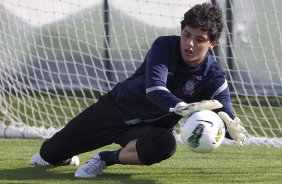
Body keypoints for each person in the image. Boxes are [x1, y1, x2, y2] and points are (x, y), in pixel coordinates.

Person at [30, 2, 246, 178]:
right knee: (47, 156)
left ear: (213, 43)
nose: (189, 44)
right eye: (187, 34)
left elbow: (224, 113)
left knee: (165, 145)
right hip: (114, 110)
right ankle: (64, 155)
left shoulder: (214, 77)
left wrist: (228, 127)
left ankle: (104, 158)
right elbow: (155, 89)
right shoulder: (164, 47)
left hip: (147, 131)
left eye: (199, 40)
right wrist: (181, 106)